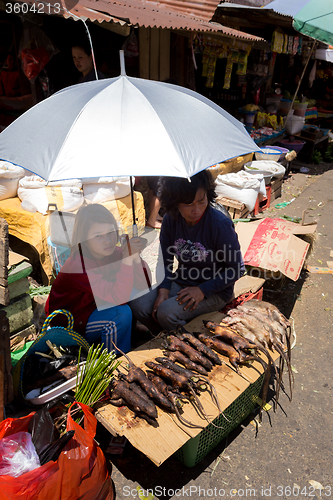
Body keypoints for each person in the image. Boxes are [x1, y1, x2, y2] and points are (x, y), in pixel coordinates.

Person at [129, 170, 245, 334]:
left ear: (208, 195)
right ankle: (162, 334)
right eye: (188, 204)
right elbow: (166, 260)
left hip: (215, 291)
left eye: (201, 201)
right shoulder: (170, 219)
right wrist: (163, 290)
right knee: (139, 305)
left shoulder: (219, 224)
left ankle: (187, 340)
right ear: (175, 202)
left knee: (166, 313)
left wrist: (203, 291)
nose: (196, 209)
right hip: (182, 281)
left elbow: (237, 268)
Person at [45, 204, 150, 353]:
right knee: (121, 315)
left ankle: (128, 332)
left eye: (110, 233)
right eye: (98, 236)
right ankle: (114, 359)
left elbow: (143, 284)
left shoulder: (114, 252)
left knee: (136, 294)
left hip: (94, 306)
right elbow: (119, 298)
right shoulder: (78, 266)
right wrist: (127, 260)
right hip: (71, 321)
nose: (107, 240)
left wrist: (135, 257)